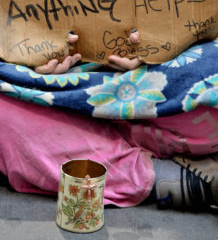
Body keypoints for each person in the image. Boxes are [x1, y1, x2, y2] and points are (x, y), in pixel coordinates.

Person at [0, 30, 217, 211]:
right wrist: (27, 52)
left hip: (172, 83)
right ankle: (175, 180)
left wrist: (165, 39)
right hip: (48, 94)